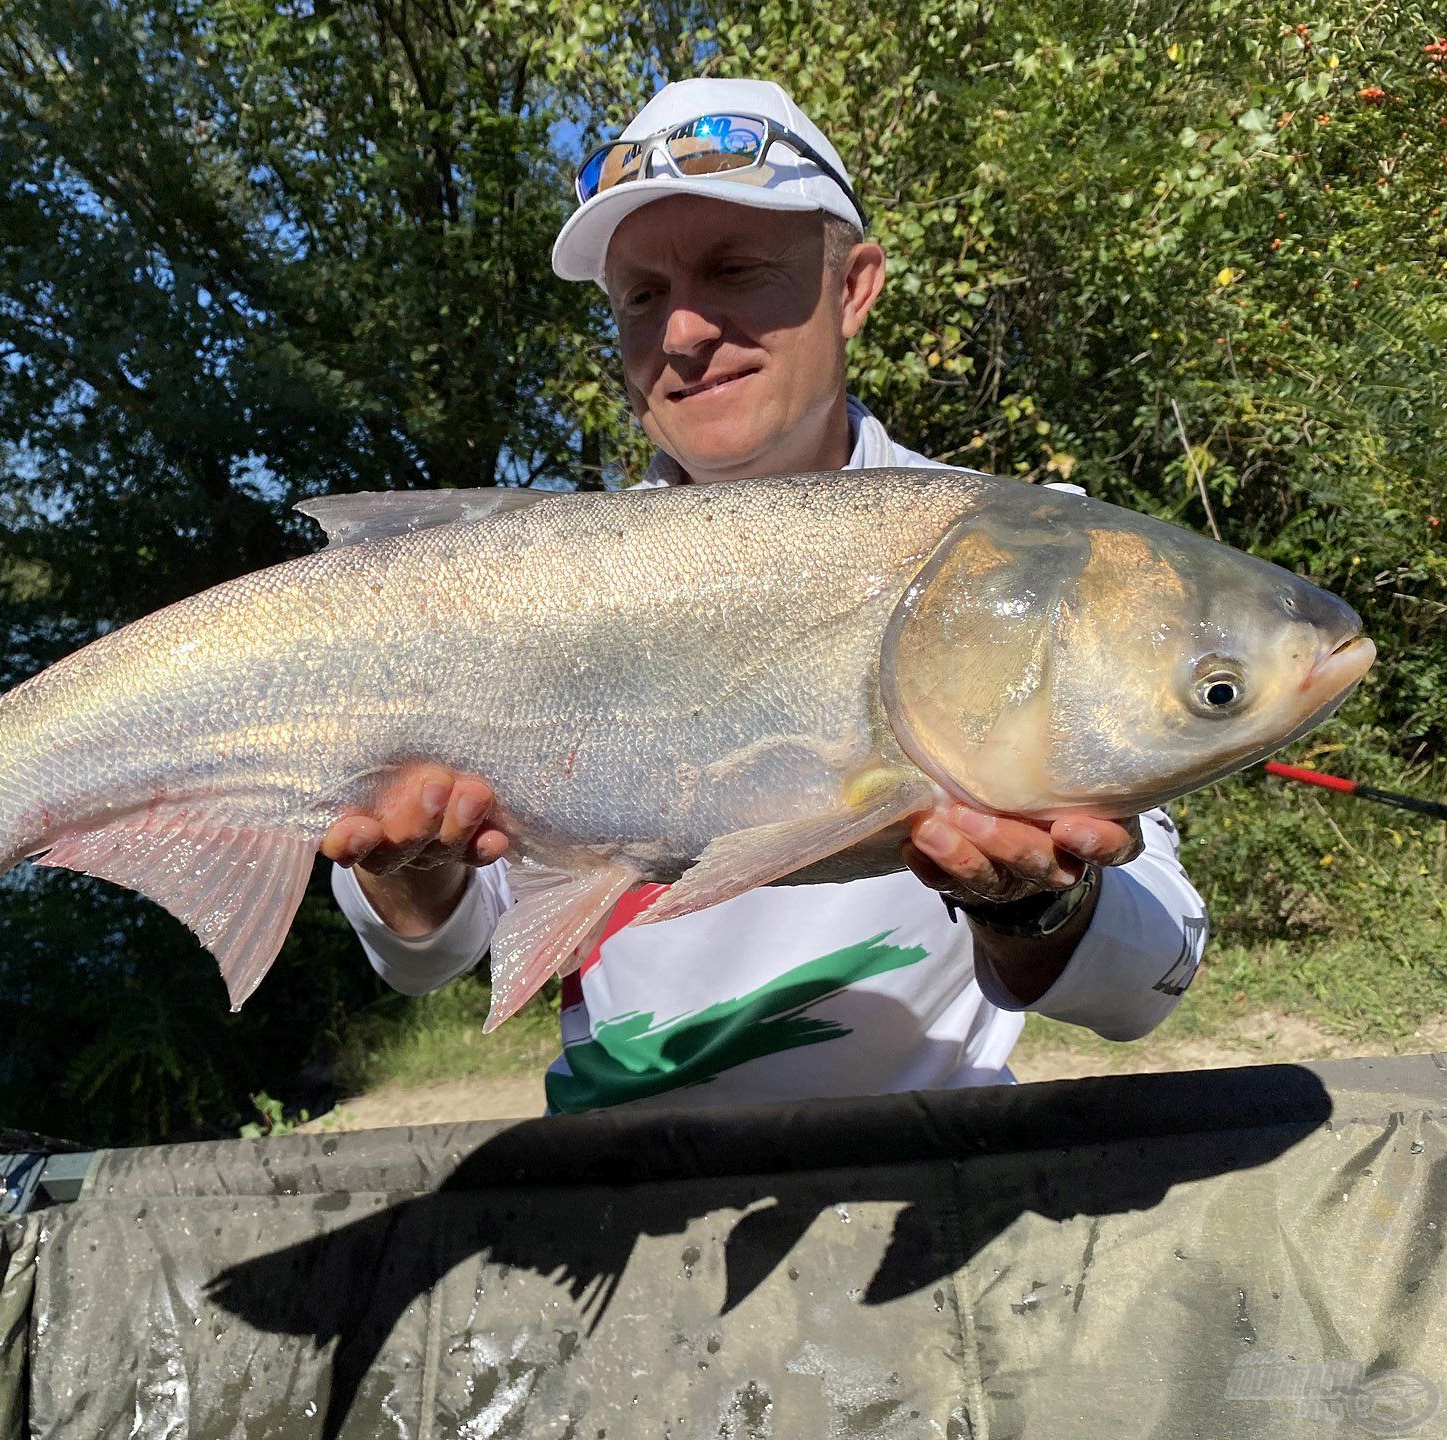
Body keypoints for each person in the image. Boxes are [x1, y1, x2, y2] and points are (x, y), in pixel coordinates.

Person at [319, 78, 1208, 1114]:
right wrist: (406, 871)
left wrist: (1039, 912)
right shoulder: (526, 598)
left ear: (854, 288)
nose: (684, 332)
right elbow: (435, 960)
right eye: (642, 297)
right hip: (612, 1206)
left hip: (920, 1194)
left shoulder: (1027, 557)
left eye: (734, 269)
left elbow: (1154, 972)